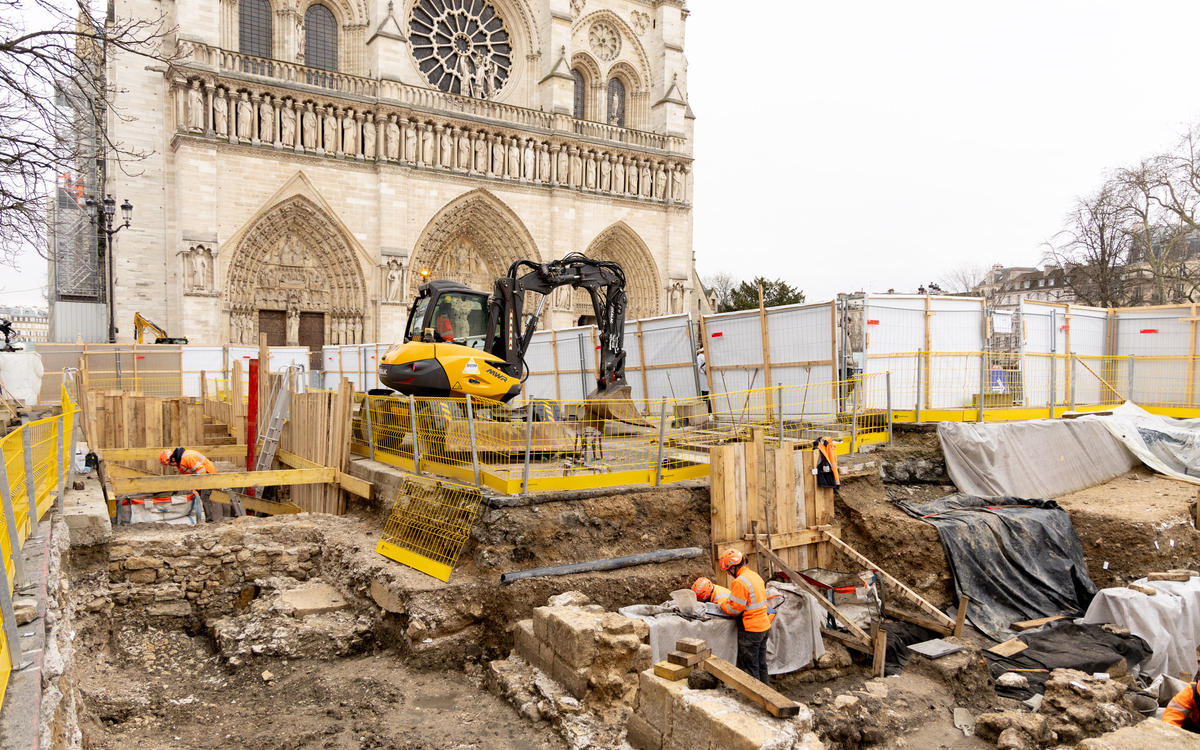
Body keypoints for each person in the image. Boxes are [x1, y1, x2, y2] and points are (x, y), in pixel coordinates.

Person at [717, 549, 775, 685]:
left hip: (751, 631)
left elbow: (735, 609)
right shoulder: (755, 576)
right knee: (761, 665)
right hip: (764, 627)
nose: (729, 574)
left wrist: (722, 605)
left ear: (732, 567)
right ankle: (768, 698)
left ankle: (755, 701)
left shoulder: (739, 582)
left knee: (750, 669)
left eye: (727, 571)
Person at [160, 448, 221, 522]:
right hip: (202, 476)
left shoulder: (187, 458)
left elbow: (201, 470)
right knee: (197, 496)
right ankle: (201, 518)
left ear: (173, 459)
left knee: (204, 497)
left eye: (170, 463)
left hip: (208, 475)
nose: (171, 466)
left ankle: (210, 520)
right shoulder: (181, 462)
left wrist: (200, 484)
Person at [696, 348, 711, 413]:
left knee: (704, 396)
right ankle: (710, 412)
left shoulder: (700, 357)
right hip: (707, 377)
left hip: (702, 378)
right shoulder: (708, 355)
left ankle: (708, 412)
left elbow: (697, 367)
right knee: (707, 395)